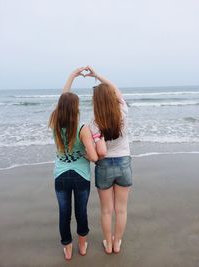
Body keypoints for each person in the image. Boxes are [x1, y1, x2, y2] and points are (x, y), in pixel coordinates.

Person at [49, 68, 98, 260]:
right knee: (81, 212)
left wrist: (72, 75)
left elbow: (63, 97)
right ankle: (82, 246)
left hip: (60, 175)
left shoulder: (54, 122)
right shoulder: (82, 128)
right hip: (81, 176)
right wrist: (85, 154)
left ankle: (67, 248)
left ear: (60, 107)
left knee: (64, 214)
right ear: (76, 108)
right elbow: (94, 157)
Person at [87, 66, 132, 254]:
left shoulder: (93, 122)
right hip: (123, 163)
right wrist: (97, 75)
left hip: (104, 165)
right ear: (112, 97)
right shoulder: (123, 111)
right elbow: (114, 88)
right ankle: (117, 243)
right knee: (121, 209)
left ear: (96, 102)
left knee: (106, 210)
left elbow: (98, 151)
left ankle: (108, 243)